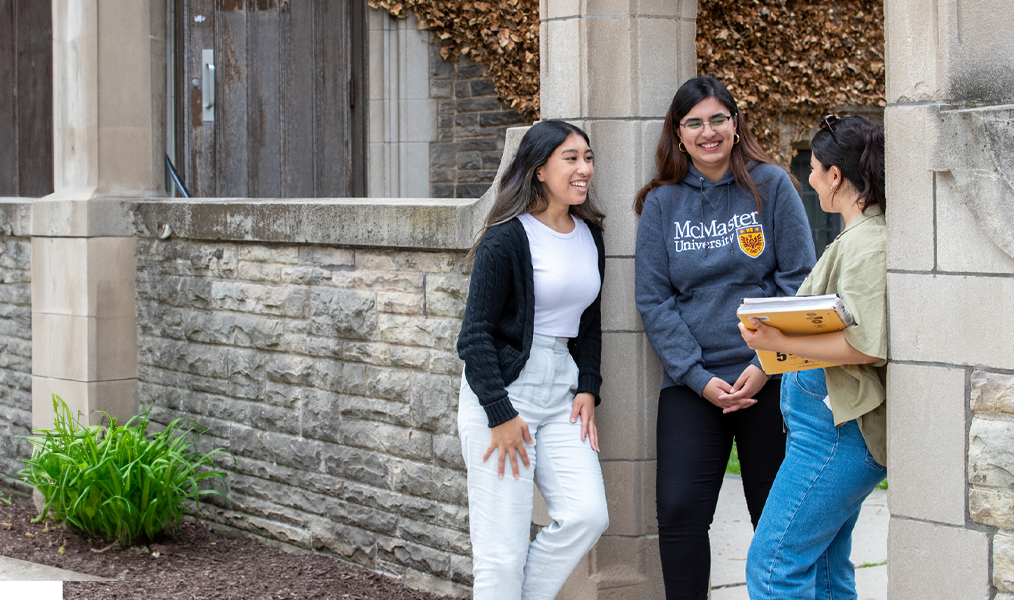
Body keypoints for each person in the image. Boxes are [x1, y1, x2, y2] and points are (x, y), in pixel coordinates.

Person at [633, 76, 816, 599]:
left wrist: (766, 363)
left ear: (736, 125)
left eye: (718, 119)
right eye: (694, 122)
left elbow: (797, 282)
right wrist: (698, 377)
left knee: (775, 518)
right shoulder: (661, 204)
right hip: (695, 384)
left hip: (770, 378)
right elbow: (654, 301)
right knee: (679, 511)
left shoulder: (772, 185)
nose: (707, 132)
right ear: (678, 133)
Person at [456, 119, 609, 600]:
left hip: (561, 390)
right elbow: (474, 335)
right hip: (504, 394)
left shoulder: (589, 234)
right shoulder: (506, 238)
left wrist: (588, 385)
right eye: (571, 158)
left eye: (587, 157)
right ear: (539, 169)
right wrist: (499, 415)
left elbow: (587, 321)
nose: (583, 168)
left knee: (587, 515)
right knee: (500, 553)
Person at [740, 114, 887, 600]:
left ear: (837, 176)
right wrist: (764, 366)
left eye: (816, 168)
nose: (809, 178)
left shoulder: (867, 243)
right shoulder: (859, 237)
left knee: (774, 564)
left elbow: (864, 345)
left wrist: (776, 342)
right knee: (824, 571)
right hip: (829, 433)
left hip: (837, 437)